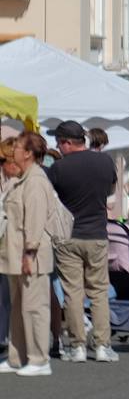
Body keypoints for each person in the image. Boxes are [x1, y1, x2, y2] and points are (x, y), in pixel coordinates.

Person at [45, 120, 117, 363]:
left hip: (68, 235)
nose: (58, 147)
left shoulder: (59, 169)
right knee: (98, 291)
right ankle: (102, 345)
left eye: (59, 143)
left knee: (72, 292)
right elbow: (110, 189)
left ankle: (77, 345)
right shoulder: (105, 162)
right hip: (97, 234)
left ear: (66, 142)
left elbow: (49, 196)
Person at [0, 133, 57, 376]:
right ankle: (17, 357)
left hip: (30, 254)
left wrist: (29, 251)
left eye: (19, 147)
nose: (14, 152)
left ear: (29, 153)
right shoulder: (20, 180)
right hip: (14, 253)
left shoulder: (35, 181)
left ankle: (39, 359)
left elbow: (34, 220)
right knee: (18, 308)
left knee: (35, 307)